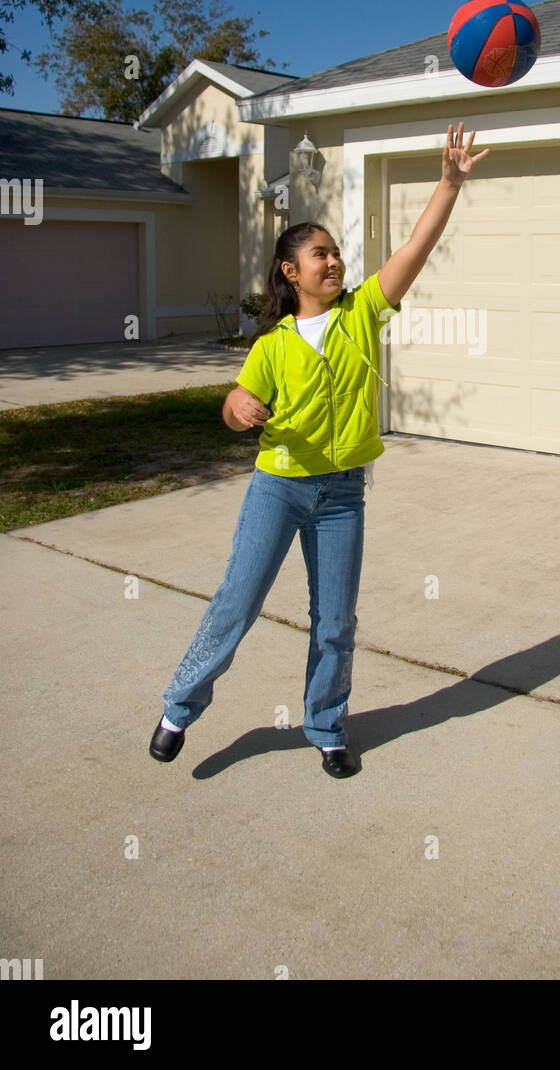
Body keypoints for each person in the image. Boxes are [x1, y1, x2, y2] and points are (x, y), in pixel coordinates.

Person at [149, 121, 490, 777]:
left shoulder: (363, 313)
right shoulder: (272, 344)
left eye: (336, 253)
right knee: (236, 605)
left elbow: (415, 248)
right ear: (290, 271)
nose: (334, 262)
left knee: (335, 621)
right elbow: (232, 407)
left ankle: (327, 726)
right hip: (279, 489)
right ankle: (179, 708)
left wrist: (448, 184)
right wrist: (236, 408)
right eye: (320, 255)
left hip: (343, 494)